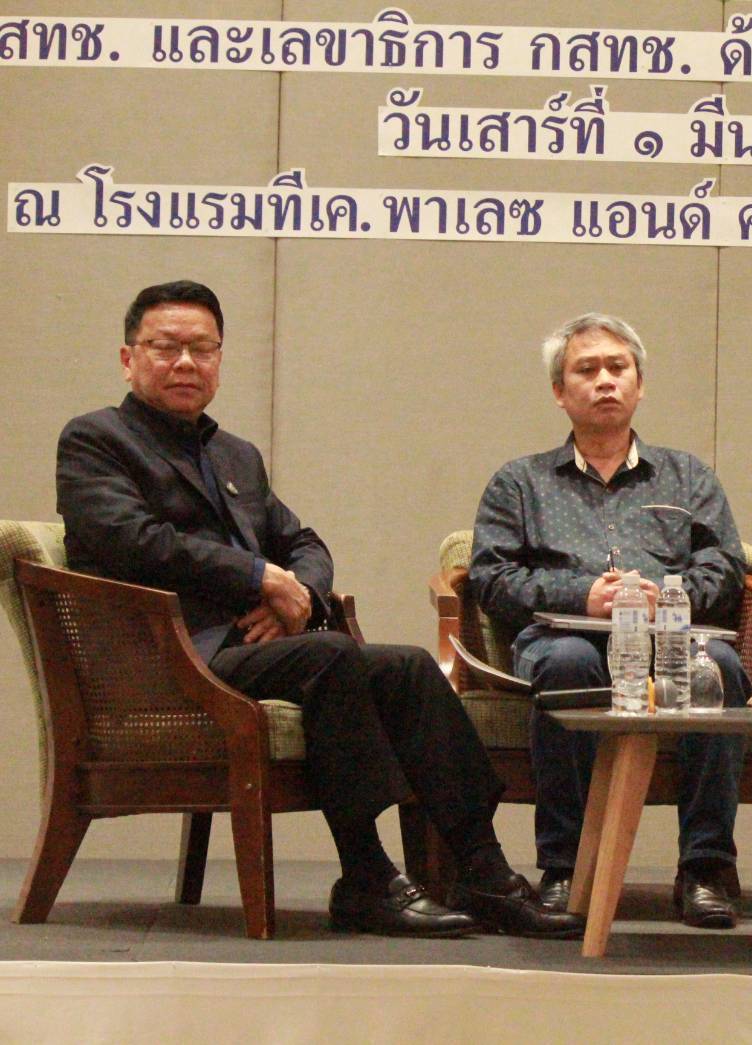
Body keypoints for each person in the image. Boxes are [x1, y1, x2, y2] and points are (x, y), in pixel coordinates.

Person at [57, 280, 584, 940]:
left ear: (219, 359)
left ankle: (482, 870)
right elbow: (130, 540)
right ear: (128, 358)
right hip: (169, 657)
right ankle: (365, 877)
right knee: (331, 657)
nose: (186, 362)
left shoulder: (234, 454)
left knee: (407, 668)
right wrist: (259, 577)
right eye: (166, 347)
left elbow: (303, 542)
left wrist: (296, 597)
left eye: (202, 348)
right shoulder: (96, 439)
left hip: (257, 649)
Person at [469, 313, 751, 929]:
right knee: (569, 665)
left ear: (639, 384)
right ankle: (566, 867)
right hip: (564, 636)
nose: (605, 381)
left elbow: (726, 567)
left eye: (618, 368)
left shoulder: (688, 476)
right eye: (587, 370)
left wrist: (667, 596)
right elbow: (490, 576)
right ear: (559, 391)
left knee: (720, 669)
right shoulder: (519, 483)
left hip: (668, 637)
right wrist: (582, 596)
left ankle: (705, 869)